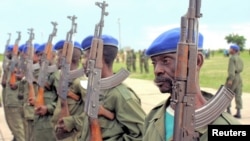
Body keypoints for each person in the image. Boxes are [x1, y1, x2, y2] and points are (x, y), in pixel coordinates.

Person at [142, 28, 241, 141]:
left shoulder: (229, 128)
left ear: (197, 61)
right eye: (154, 63)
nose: (157, 70)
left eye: (166, 61)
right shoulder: (153, 116)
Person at [79, 34, 146, 141]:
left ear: (97, 59)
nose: (82, 61)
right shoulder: (95, 90)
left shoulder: (121, 95)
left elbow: (143, 136)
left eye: (86, 56)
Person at [51, 40, 87, 141]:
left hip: (73, 136)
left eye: (58, 55)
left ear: (65, 58)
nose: (56, 58)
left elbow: (93, 112)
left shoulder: (81, 81)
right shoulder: (64, 79)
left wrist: (71, 122)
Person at [32, 43, 58, 141]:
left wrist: (48, 108)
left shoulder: (57, 75)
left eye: (42, 55)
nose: (39, 58)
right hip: (40, 124)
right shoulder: (44, 75)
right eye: (38, 55)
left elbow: (64, 102)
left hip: (50, 126)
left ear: (53, 55)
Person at [225, 44, 244, 118]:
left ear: (233, 50)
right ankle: (238, 112)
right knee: (238, 94)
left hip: (233, 77)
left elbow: (231, 70)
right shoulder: (240, 58)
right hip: (239, 77)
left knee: (227, 93)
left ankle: (228, 111)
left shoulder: (232, 58)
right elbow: (241, 68)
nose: (229, 50)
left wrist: (230, 79)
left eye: (230, 49)